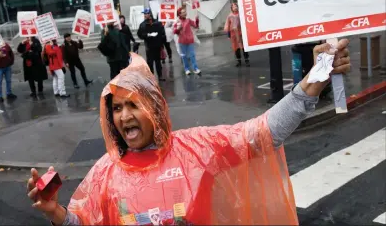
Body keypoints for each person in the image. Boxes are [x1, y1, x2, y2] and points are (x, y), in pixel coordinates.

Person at [26, 39, 351, 225]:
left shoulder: (198, 150)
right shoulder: (105, 174)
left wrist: (318, 75)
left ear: (154, 107)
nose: (124, 116)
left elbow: (264, 133)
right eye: (116, 108)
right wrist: (55, 210)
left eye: (133, 105)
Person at [137, 8, 166, 81]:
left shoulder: (157, 23)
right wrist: (147, 35)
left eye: (146, 13)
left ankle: (160, 75)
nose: (145, 15)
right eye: (144, 14)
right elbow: (140, 34)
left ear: (150, 14)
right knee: (150, 62)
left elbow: (162, 33)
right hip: (149, 46)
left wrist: (161, 43)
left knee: (158, 61)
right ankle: (151, 77)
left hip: (157, 45)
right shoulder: (142, 24)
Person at [174, 8, 201, 75]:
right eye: (183, 12)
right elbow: (174, 31)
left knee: (192, 55)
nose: (185, 13)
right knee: (184, 56)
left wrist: (197, 20)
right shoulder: (177, 21)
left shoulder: (188, 20)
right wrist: (178, 29)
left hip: (190, 40)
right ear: (179, 14)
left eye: (185, 12)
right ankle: (187, 69)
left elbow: (195, 26)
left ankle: (195, 68)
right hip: (182, 41)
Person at [224, 3, 249, 67]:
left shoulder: (241, 14)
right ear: (231, 8)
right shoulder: (230, 16)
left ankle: (247, 60)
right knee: (236, 48)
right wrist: (229, 34)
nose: (235, 7)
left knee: (244, 47)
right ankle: (239, 61)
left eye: (236, 6)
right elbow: (228, 25)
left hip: (241, 33)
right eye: (233, 7)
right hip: (234, 34)